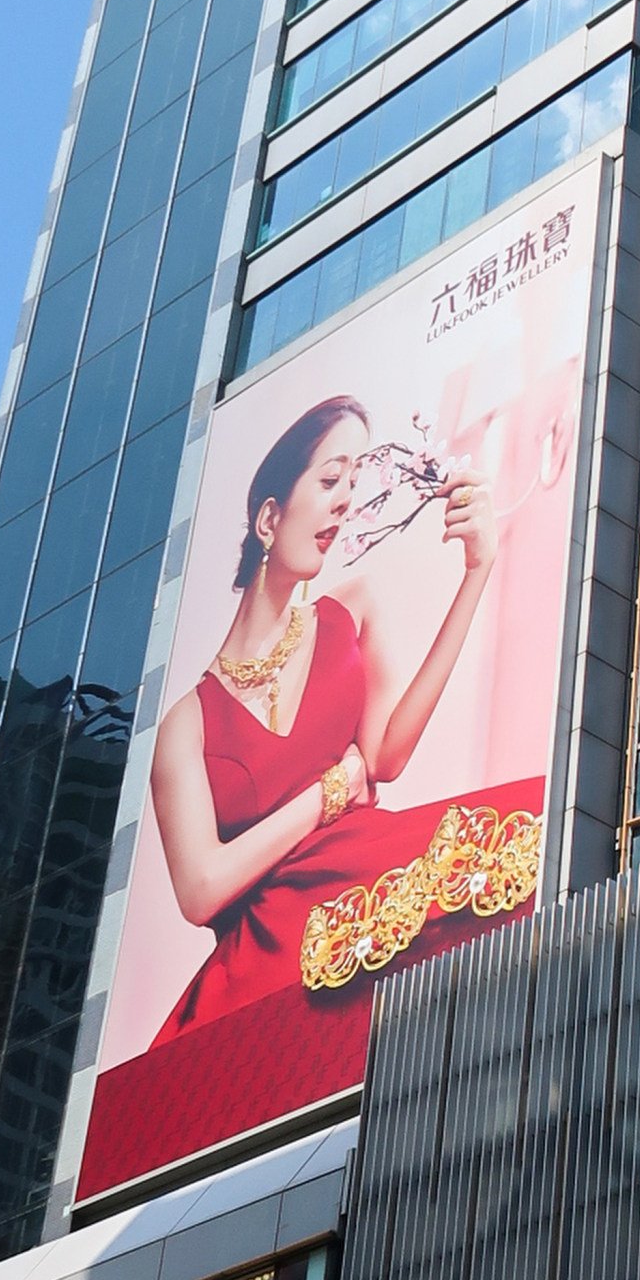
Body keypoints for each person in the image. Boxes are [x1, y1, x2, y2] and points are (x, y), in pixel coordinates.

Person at [143, 398, 503, 1049]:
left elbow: (386, 758)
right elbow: (199, 890)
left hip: (375, 870)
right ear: (269, 517)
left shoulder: (351, 610)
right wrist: (328, 794)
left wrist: (476, 572)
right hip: (264, 951)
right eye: (330, 479)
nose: (344, 503)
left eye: (353, 486)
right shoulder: (184, 726)